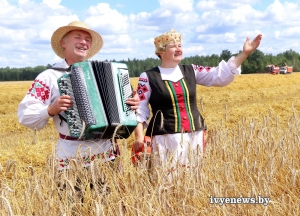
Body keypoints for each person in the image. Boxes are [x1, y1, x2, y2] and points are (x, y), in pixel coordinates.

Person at [17, 21, 140, 169]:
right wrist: (51, 109)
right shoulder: (48, 77)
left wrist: (132, 104)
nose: (83, 42)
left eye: (87, 39)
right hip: (71, 159)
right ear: (64, 43)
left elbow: (126, 106)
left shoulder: (110, 73)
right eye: (78, 37)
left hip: (107, 156)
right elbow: (25, 116)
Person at [134, 29, 262, 169]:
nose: (178, 49)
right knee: (167, 179)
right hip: (165, 139)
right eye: (173, 46)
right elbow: (140, 109)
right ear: (161, 52)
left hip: (194, 135)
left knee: (193, 179)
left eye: (180, 45)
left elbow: (219, 76)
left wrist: (245, 53)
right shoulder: (148, 76)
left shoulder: (191, 70)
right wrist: (139, 138)